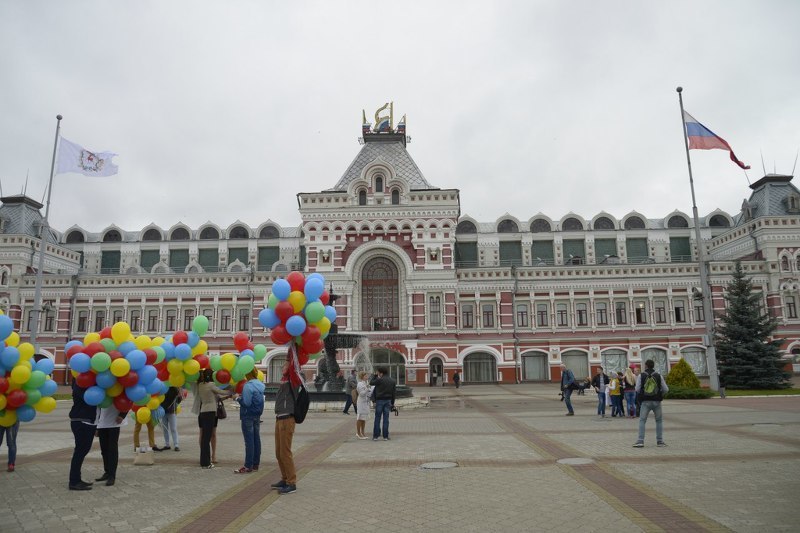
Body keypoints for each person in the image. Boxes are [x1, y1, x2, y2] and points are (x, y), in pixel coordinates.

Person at [194, 368, 231, 468]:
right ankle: (206, 463)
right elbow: (221, 392)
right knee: (207, 438)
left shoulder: (200, 385)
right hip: (210, 413)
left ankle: (204, 460)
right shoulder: (211, 385)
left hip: (202, 412)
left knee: (204, 437)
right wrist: (231, 391)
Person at [272, 362, 298, 494]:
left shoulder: (293, 380)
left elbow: (296, 371)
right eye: (282, 365)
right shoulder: (284, 380)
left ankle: (291, 482)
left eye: (286, 365)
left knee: (285, 452)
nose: (283, 367)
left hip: (287, 419)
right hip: (279, 418)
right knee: (278, 452)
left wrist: (294, 360)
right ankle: (285, 477)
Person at [234, 368, 265, 473]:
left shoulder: (248, 385)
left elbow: (246, 403)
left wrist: (237, 398)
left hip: (247, 415)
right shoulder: (260, 384)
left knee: (249, 441)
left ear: (248, 374)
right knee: (257, 440)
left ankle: (248, 465)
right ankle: (256, 464)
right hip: (257, 415)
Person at [633, 359, 669, 448]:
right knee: (659, 421)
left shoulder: (641, 376)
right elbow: (666, 389)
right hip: (657, 401)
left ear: (645, 366)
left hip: (645, 401)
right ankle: (660, 441)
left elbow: (637, 389)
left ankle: (640, 441)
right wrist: (659, 394)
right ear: (653, 366)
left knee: (642, 420)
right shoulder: (658, 375)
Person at [68, 380, 97, 490]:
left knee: (82, 450)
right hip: (81, 420)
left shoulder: (85, 381)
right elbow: (88, 398)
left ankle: (76, 479)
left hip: (87, 420)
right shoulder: (81, 382)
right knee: (80, 451)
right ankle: (74, 481)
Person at [95, 403, 128, 486]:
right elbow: (97, 407)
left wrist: (122, 415)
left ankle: (112, 475)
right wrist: (96, 426)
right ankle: (107, 472)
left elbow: (128, 400)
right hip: (102, 423)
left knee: (112, 449)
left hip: (114, 422)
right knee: (104, 450)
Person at [370, 366, 396, 440]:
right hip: (388, 401)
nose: (378, 374)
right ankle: (385, 436)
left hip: (379, 401)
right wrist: (392, 403)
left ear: (381, 373)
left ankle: (376, 436)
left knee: (377, 418)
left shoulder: (379, 380)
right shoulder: (392, 380)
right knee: (386, 418)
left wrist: (374, 376)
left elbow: (371, 383)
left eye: (378, 373)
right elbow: (394, 393)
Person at [159, 386, 181, 451]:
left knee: (173, 428)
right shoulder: (162, 387)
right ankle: (167, 444)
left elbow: (178, 400)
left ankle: (176, 445)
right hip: (163, 411)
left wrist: (179, 394)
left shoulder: (174, 388)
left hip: (171, 411)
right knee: (165, 429)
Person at [355, 371, 371, 439]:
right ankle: (358, 433)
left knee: (364, 418)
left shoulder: (366, 383)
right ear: (362, 377)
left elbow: (367, 393)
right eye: (365, 376)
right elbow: (361, 394)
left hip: (365, 402)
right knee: (360, 417)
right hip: (361, 402)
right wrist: (367, 389)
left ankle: (363, 432)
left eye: (367, 375)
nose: (367, 377)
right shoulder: (360, 384)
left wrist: (370, 391)